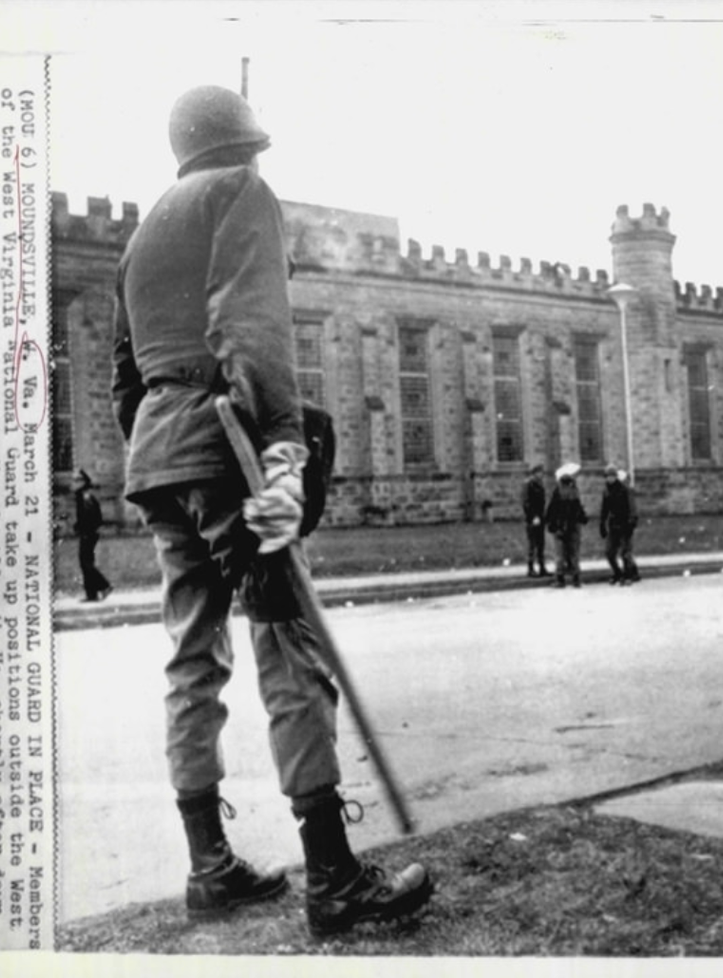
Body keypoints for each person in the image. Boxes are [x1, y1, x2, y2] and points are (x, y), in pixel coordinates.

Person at [111, 84, 431, 938]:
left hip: (158, 460)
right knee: (290, 646)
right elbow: (252, 332)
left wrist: (161, 452)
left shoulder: (139, 237)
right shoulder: (243, 194)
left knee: (192, 656)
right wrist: (282, 458)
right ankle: (333, 878)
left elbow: (123, 380)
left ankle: (210, 867)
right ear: (244, 145)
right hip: (228, 449)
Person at [73, 469, 113, 602]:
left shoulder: (85, 496)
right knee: (85, 563)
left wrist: (85, 530)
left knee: (86, 563)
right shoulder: (82, 495)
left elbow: (90, 516)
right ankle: (91, 594)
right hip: (88, 532)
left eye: (77, 480)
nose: (74, 482)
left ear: (83, 482)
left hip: (88, 533)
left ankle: (104, 586)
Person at [545, 462, 587, 587]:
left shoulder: (557, 493)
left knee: (559, 555)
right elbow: (579, 511)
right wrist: (583, 518)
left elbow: (552, 510)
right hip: (573, 528)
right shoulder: (574, 493)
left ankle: (560, 579)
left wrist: (550, 524)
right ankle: (576, 579)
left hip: (560, 527)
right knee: (574, 554)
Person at [599, 465, 640, 585]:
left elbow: (632, 507)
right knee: (609, 552)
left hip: (625, 523)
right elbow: (604, 509)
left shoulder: (624, 490)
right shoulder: (606, 491)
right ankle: (617, 573)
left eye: (612, 476)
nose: (610, 479)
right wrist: (602, 523)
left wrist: (632, 521)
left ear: (616, 477)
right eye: (608, 476)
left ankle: (629, 574)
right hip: (613, 524)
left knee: (625, 552)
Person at [521, 463, 548, 578]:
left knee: (541, 544)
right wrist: (533, 516)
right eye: (540, 472)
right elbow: (526, 503)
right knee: (532, 544)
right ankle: (530, 568)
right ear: (535, 473)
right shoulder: (529, 484)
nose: (541, 474)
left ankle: (542, 567)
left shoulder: (540, 484)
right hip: (532, 519)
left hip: (540, 517)